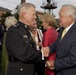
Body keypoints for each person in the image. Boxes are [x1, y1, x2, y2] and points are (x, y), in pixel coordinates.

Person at [5, 3, 49, 75]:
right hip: (19, 71)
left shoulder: (26, 30)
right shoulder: (14, 31)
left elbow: (31, 50)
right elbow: (24, 55)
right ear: (24, 14)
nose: (35, 17)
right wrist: (42, 53)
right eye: (33, 14)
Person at [43, 4, 76, 75]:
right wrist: (49, 48)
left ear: (70, 18)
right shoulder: (63, 29)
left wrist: (55, 63)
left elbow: (74, 59)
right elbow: (58, 42)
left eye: (61, 16)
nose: (58, 18)